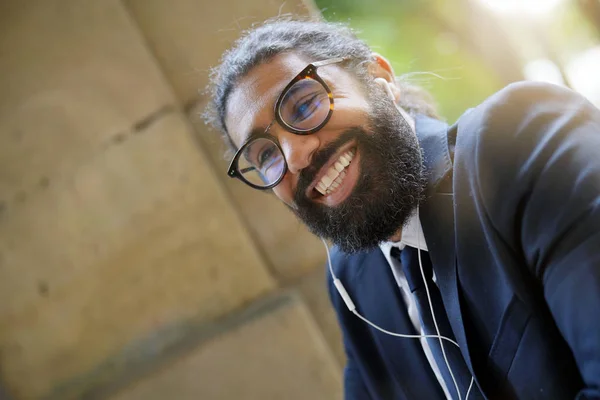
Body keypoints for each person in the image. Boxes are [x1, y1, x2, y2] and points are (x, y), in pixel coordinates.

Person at [204, 17, 600, 400]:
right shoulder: (354, 280)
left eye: (304, 106)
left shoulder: (520, 139)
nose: (295, 156)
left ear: (380, 77)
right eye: (266, 156)